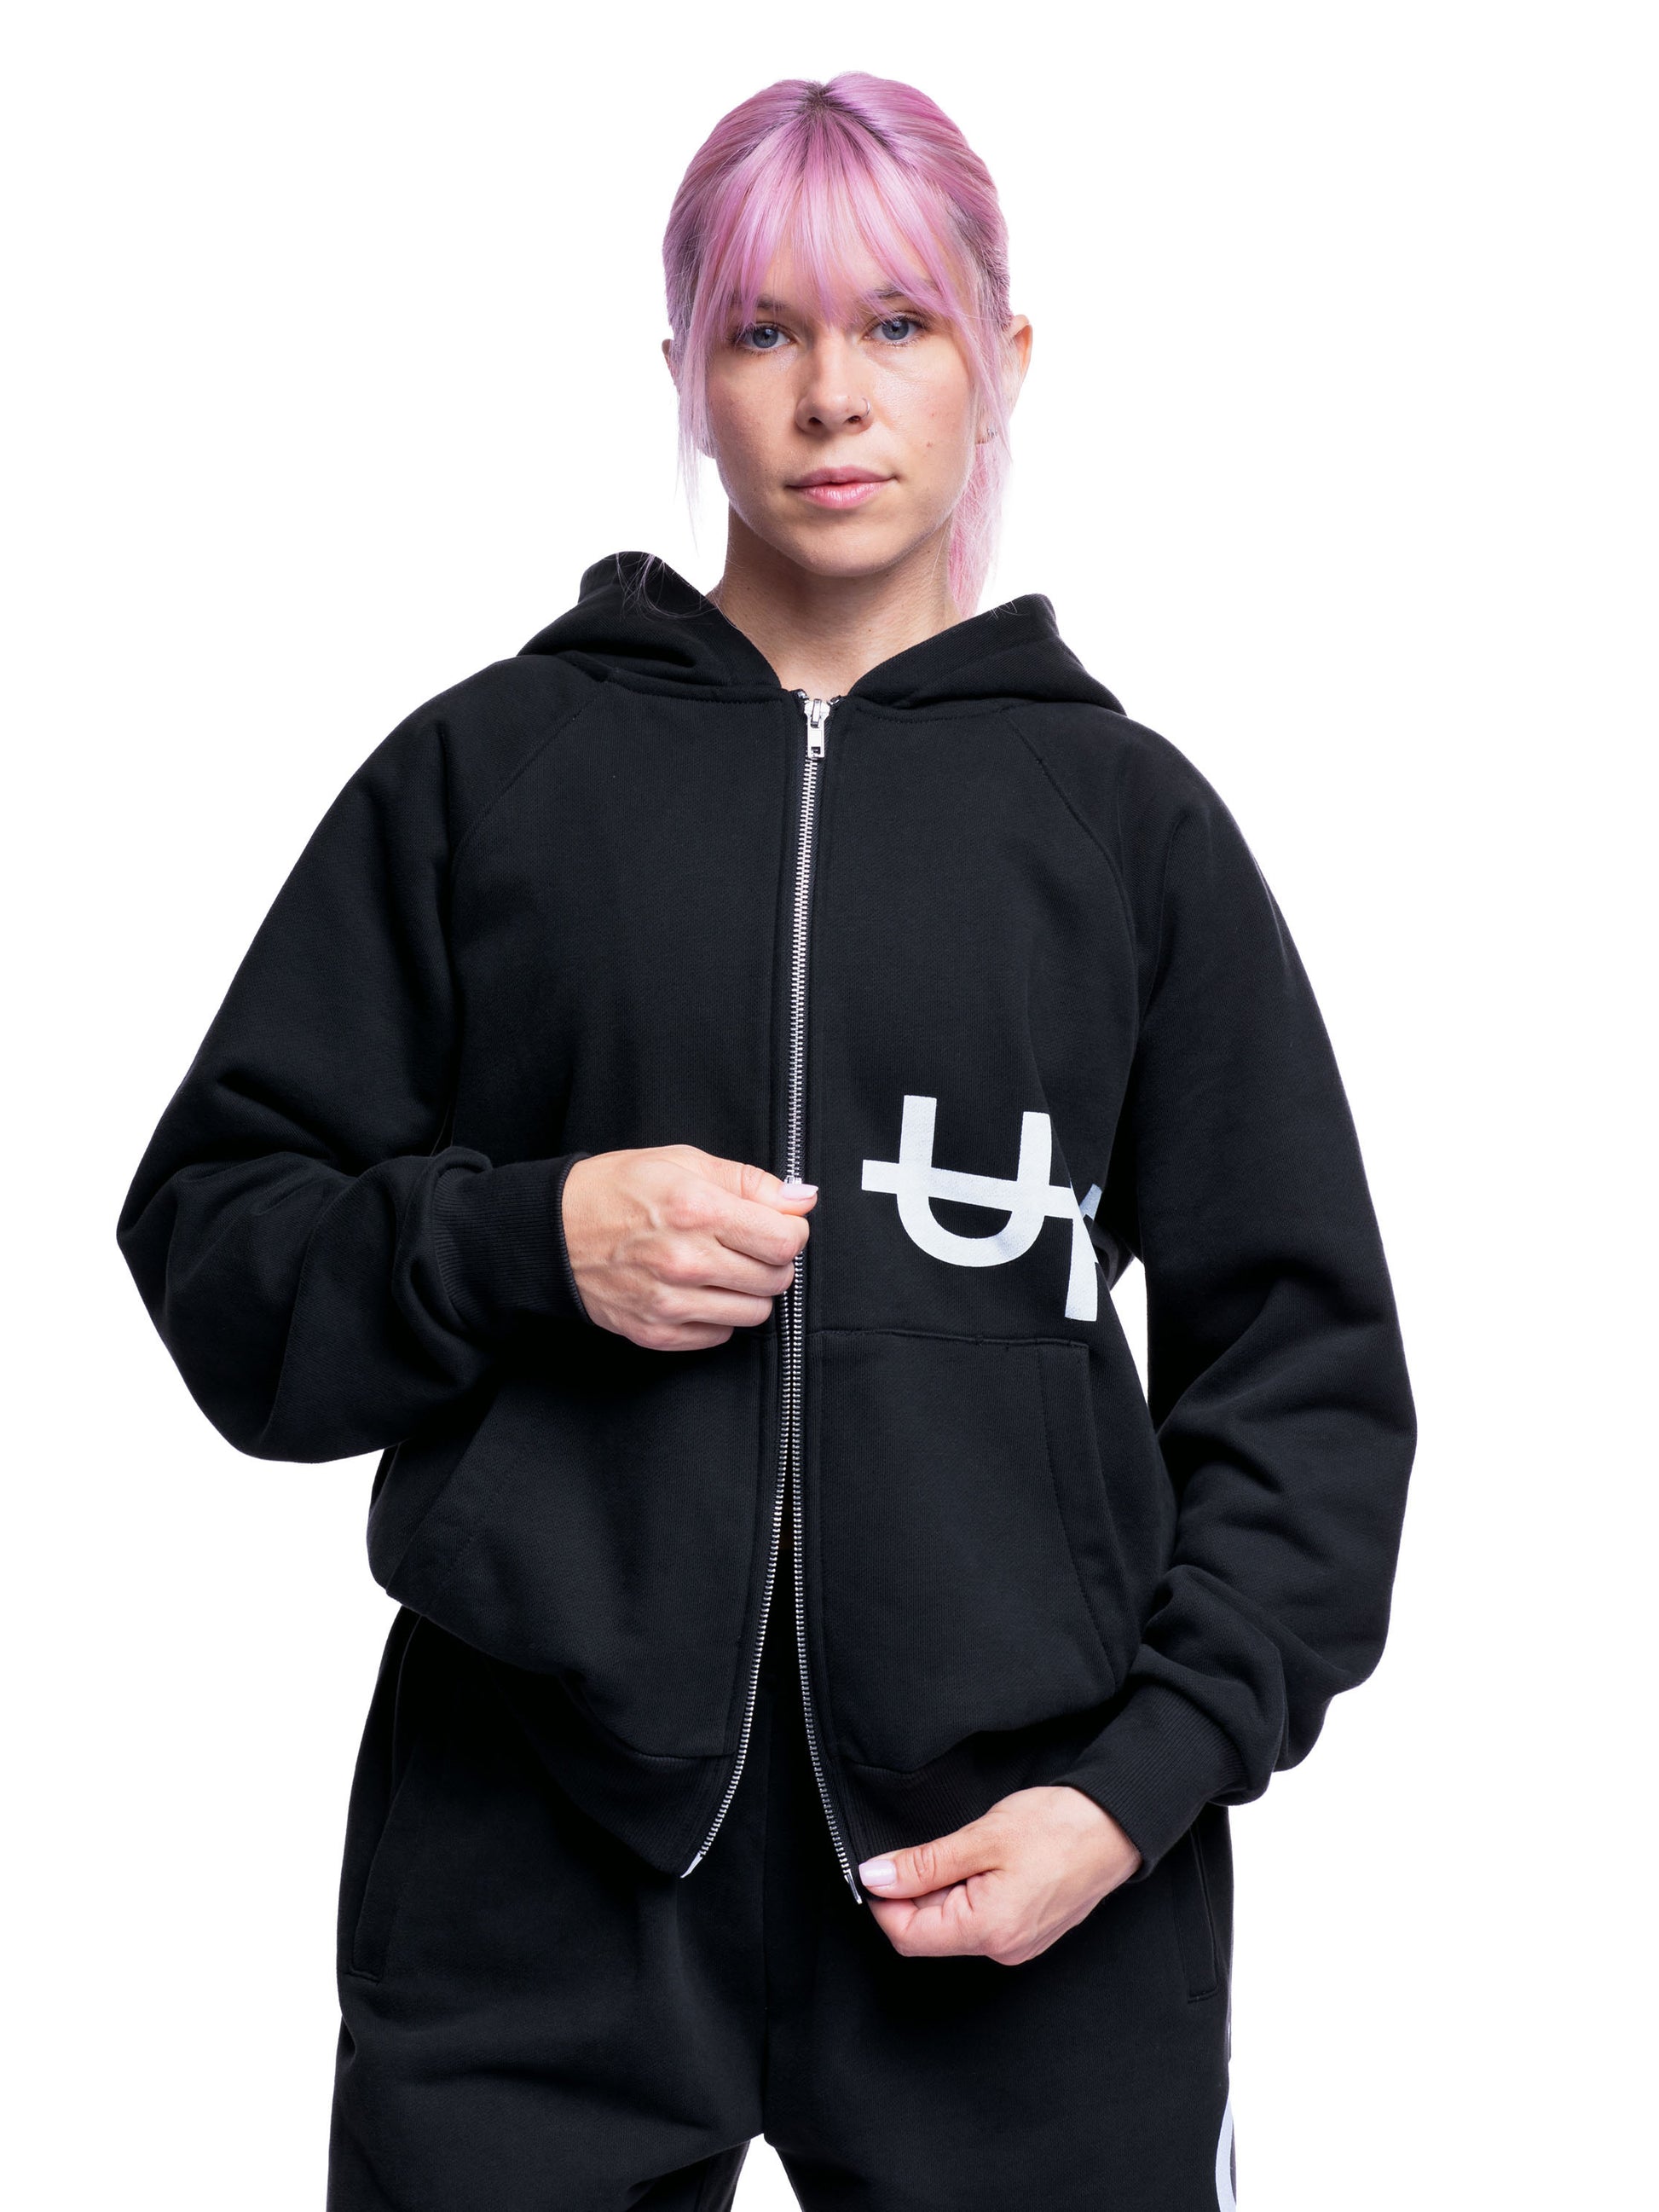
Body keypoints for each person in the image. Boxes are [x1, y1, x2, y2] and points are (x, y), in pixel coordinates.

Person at [118, 72, 1415, 2212]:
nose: (833, 394)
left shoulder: (1129, 829)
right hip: (533, 1850)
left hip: (1026, 1871)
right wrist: (531, 1238)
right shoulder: (489, 775)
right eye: (764, 329)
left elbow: (1306, 1374)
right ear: (684, 372)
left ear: (1002, 359)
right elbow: (216, 1239)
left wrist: (1135, 1789)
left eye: (899, 324)